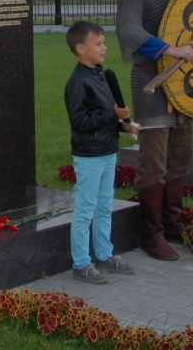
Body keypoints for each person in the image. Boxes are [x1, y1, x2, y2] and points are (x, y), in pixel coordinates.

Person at [115, 0, 193, 261]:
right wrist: (170, 50)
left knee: (181, 155)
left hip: (180, 82)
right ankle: (152, 234)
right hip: (151, 82)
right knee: (153, 162)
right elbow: (129, 30)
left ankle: (172, 222)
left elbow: (187, 22)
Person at [63, 19, 137, 284]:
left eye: (104, 42)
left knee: (105, 206)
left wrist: (120, 125)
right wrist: (111, 114)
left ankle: (105, 254)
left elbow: (103, 116)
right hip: (89, 156)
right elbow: (79, 121)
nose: (104, 47)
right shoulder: (77, 83)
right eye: (99, 43)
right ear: (81, 49)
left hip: (107, 150)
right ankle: (81, 264)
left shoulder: (102, 75)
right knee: (86, 210)